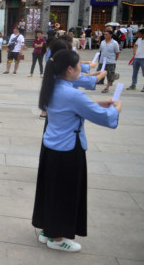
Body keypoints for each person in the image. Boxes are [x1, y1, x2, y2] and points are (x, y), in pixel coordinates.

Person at [32, 49, 121, 252]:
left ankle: (48, 230)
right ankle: (57, 238)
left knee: (52, 191)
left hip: (52, 148)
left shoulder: (52, 86)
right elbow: (105, 118)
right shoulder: (72, 93)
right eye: (80, 66)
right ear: (70, 69)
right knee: (65, 194)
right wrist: (117, 107)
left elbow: (72, 107)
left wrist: (97, 103)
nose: (82, 69)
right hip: (68, 151)